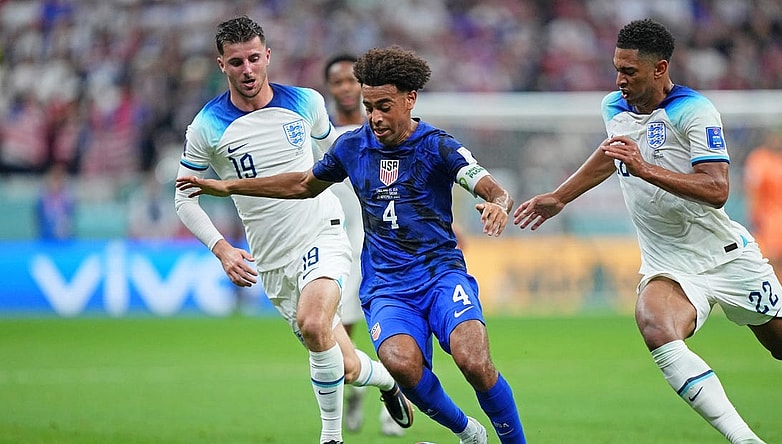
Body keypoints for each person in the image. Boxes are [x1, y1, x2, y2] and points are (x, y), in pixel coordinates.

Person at [177, 45, 527, 444]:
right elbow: (302, 184)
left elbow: (489, 186)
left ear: (410, 99)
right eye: (369, 106)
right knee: (400, 364)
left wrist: (496, 204)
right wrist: (229, 186)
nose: (374, 117)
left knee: (473, 361)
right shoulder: (351, 147)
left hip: (440, 273)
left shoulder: (437, 145)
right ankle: (468, 433)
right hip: (387, 285)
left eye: (384, 106)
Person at [513, 18, 782, 444]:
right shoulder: (614, 107)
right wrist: (561, 196)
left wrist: (645, 168)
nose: (619, 80)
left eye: (629, 72)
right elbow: (612, 153)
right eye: (616, 69)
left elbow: (716, 189)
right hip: (669, 262)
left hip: (726, 255)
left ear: (659, 69)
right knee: (656, 326)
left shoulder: (695, 111)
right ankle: (744, 439)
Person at [173, 17, 412, 444]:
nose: (246, 70)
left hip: (323, 232)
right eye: (235, 62)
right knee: (346, 363)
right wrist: (222, 249)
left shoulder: (305, 102)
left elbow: (337, 160)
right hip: (272, 260)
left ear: (267, 56)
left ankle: (331, 437)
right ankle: (386, 382)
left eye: (253, 59)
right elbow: (182, 198)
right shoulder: (206, 127)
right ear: (221, 65)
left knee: (315, 322)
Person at [319, 53, 403, 437]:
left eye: (352, 80)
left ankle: (394, 393)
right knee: (344, 324)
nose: (346, 88)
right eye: (337, 82)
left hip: (385, 235)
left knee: (390, 317)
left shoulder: (386, 128)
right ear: (330, 89)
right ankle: (358, 386)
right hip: (341, 238)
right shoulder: (324, 135)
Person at [744, 131, 782, 283]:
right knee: (771, 255)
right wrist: (754, 214)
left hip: (781, 214)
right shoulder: (758, 159)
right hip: (766, 215)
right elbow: (752, 189)